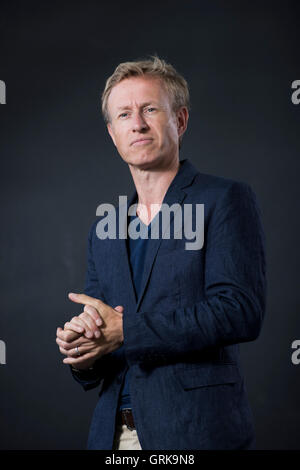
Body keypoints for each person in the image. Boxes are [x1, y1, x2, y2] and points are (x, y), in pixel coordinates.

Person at [56, 56, 266, 450]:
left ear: (180, 121)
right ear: (112, 133)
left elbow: (240, 310)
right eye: (123, 114)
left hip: (195, 433)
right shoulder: (104, 230)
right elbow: (107, 342)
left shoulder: (224, 199)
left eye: (149, 109)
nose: (136, 123)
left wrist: (127, 332)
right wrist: (82, 349)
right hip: (113, 436)